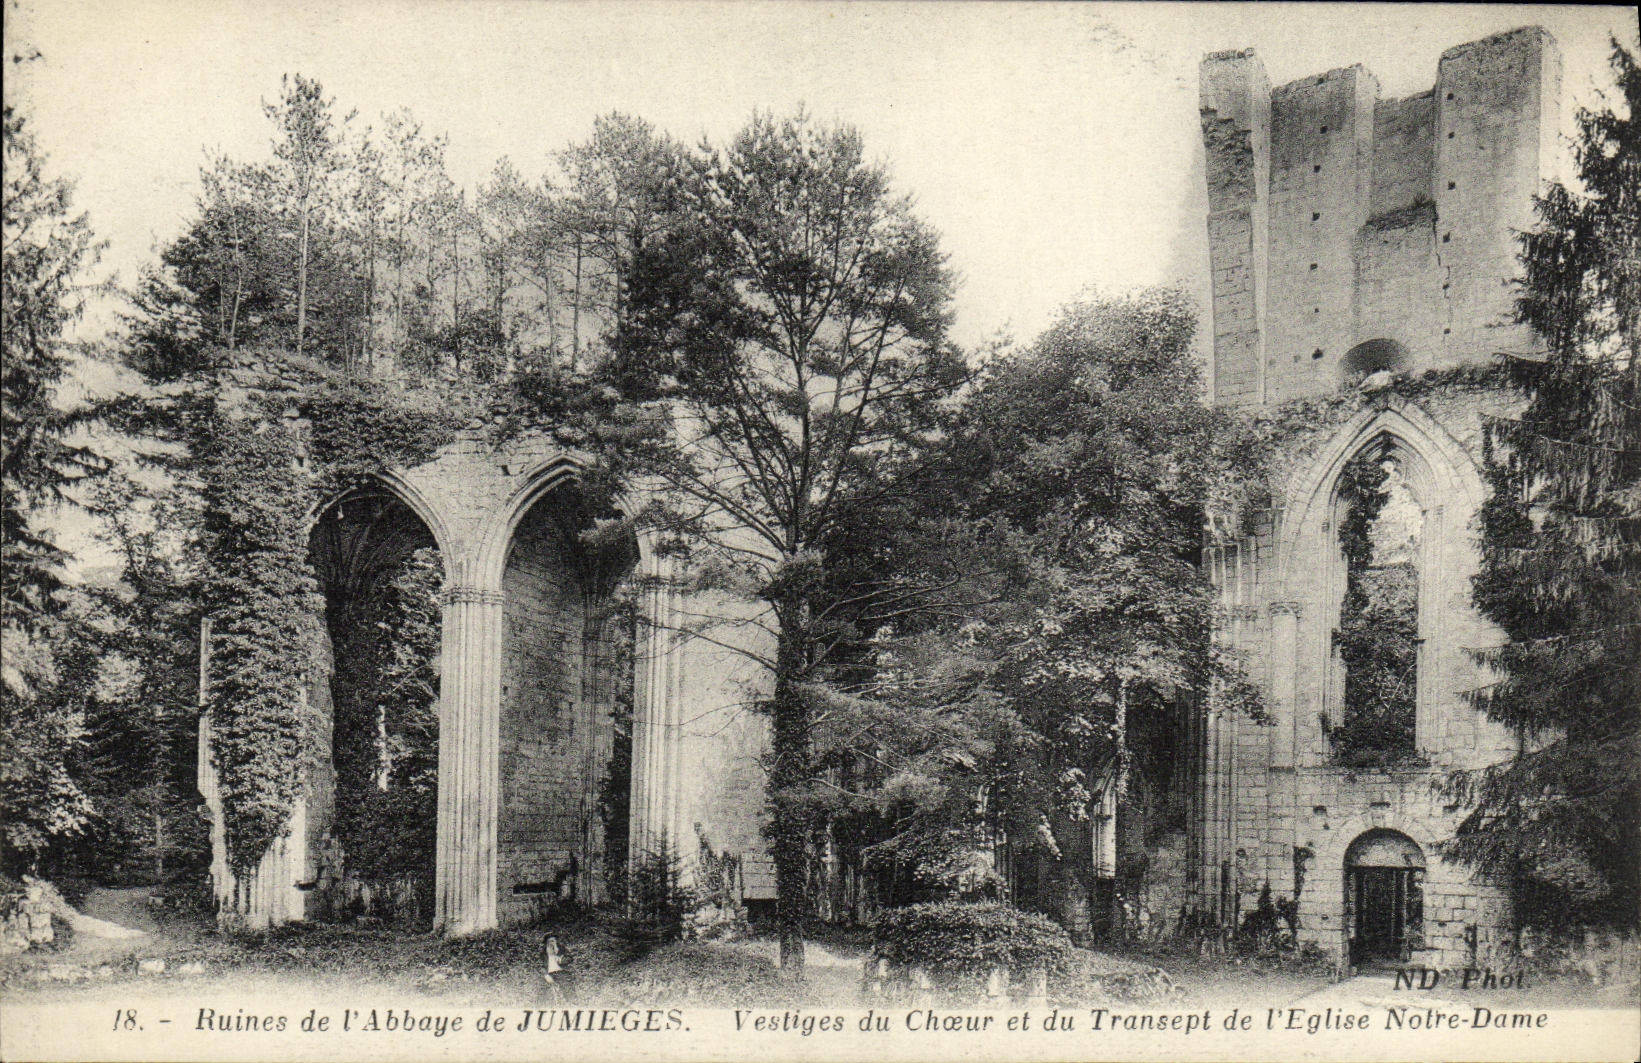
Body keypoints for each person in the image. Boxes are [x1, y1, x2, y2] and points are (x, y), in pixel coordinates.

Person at [541, 934, 572, 1002]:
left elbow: (569, 959)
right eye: (550, 941)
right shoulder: (543, 953)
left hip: (562, 973)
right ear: (546, 942)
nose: (552, 943)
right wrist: (545, 975)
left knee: (567, 993)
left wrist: (560, 956)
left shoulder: (561, 949)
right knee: (552, 996)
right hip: (549, 974)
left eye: (554, 941)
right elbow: (540, 965)